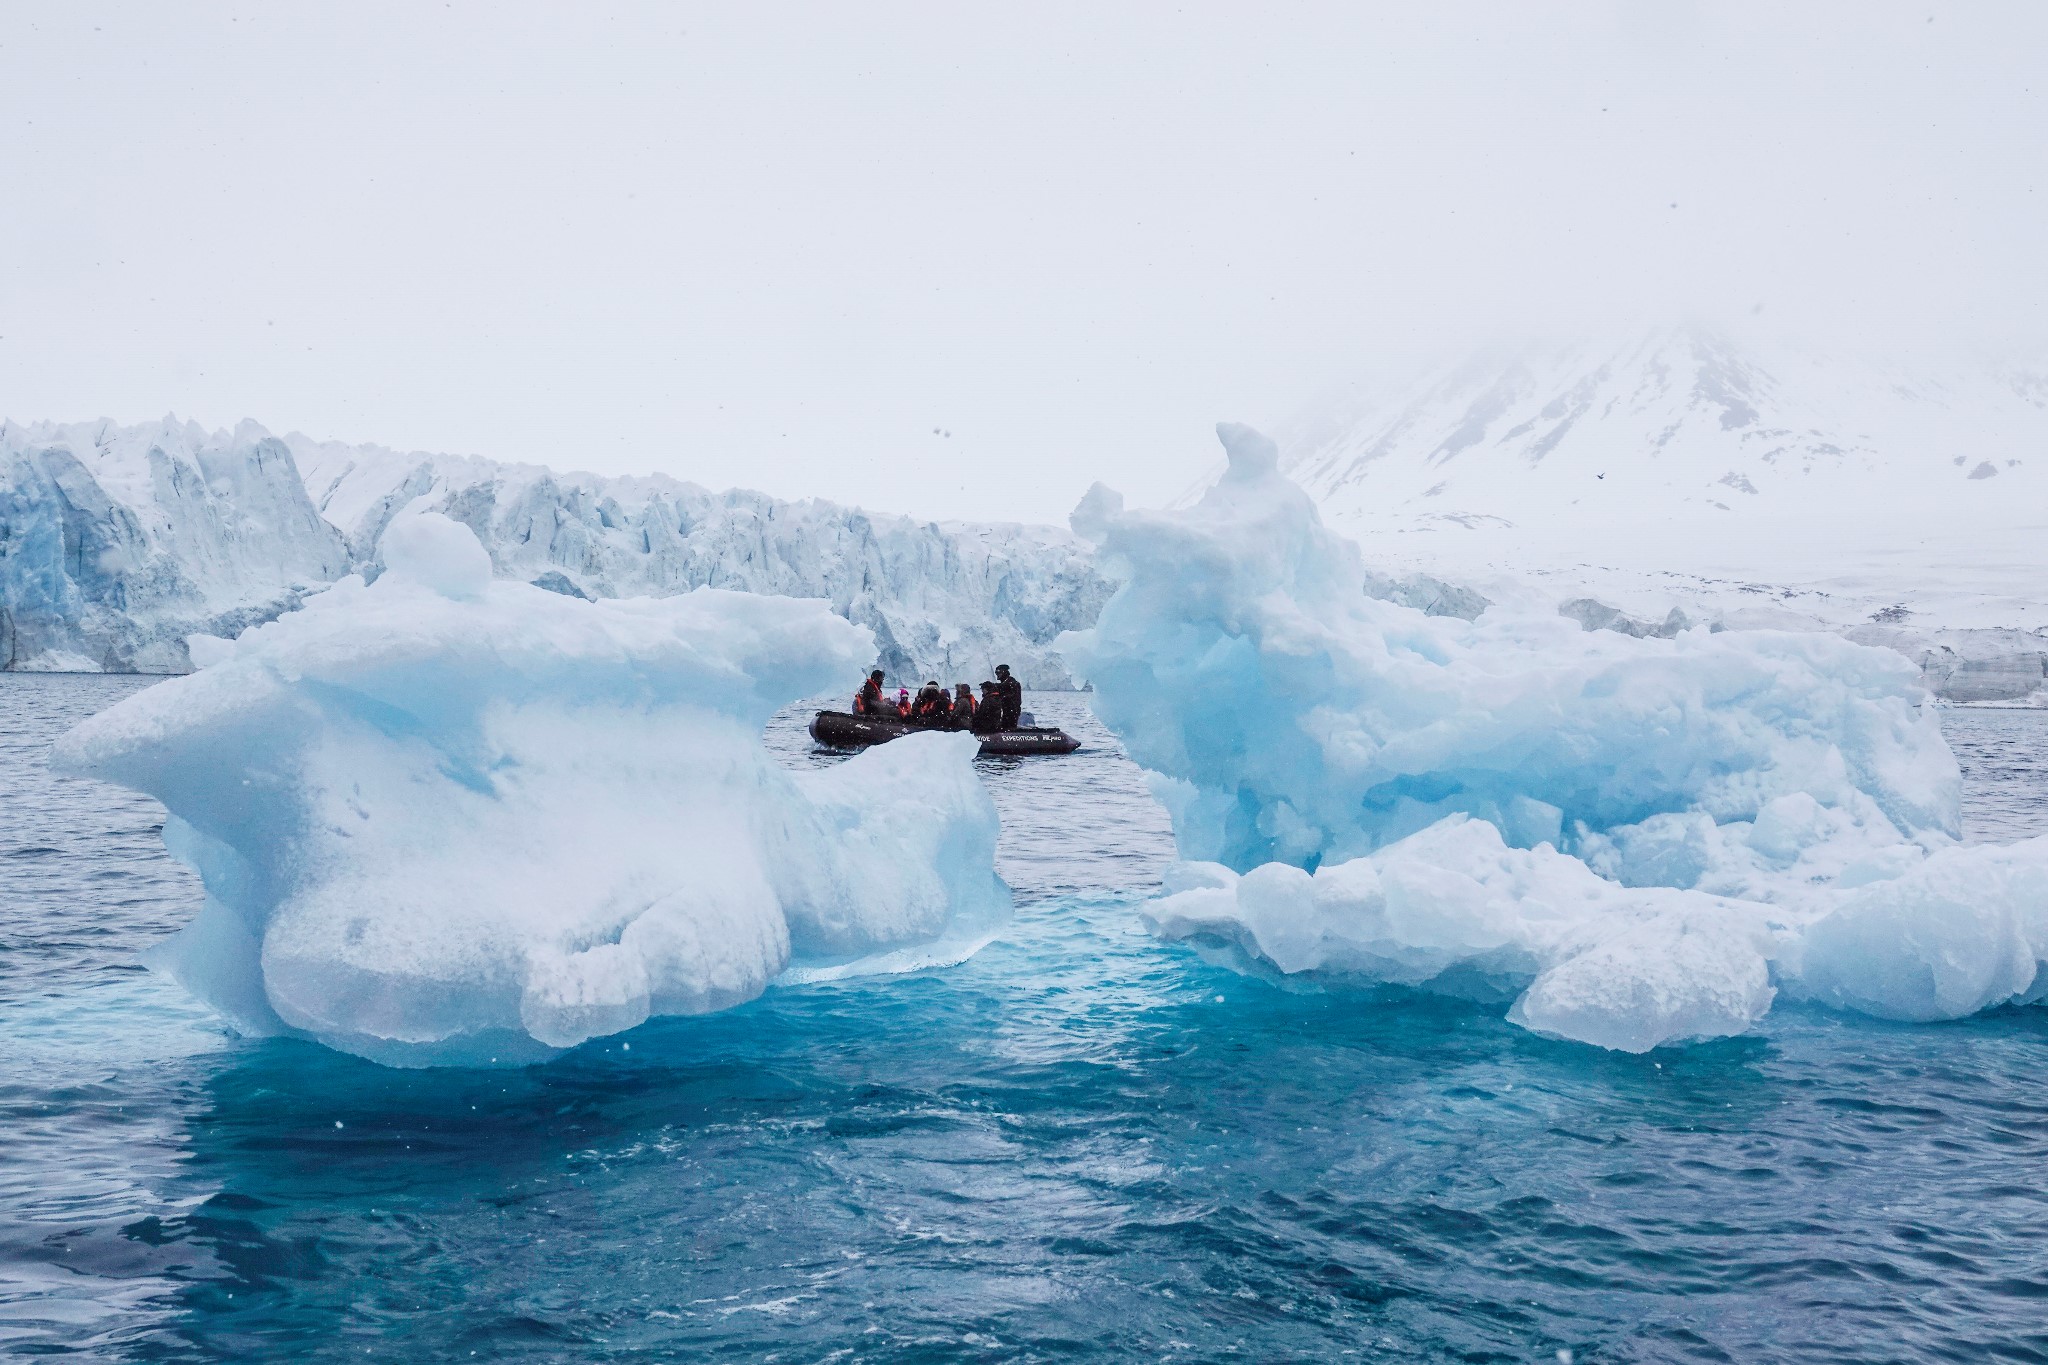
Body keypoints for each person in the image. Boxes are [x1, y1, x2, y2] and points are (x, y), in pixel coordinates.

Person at [994, 664, 1024, 730]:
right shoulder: (1003, 684)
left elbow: (1012, 697)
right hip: (1004, 711)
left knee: (1009, 727)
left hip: (1011, 712)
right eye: (996, 672)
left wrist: (1002, 696)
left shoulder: (1013, 684)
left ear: (1004, 672)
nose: (997, 674)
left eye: (999, 672)